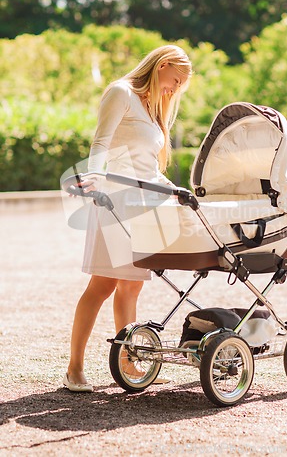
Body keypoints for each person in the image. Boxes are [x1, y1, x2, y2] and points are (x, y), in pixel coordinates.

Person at [63, 45, 192, 392]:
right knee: (102, 285)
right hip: (115, 203)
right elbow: (101, 142)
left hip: (144, 205)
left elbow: (148, 167)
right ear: (162, 64)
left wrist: (175, 190)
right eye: (174, 80)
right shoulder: (121, 92)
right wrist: (91, 180)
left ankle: (129, 363)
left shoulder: (152, 108)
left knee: (132, 286)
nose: (174, 89)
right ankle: (74, 368)